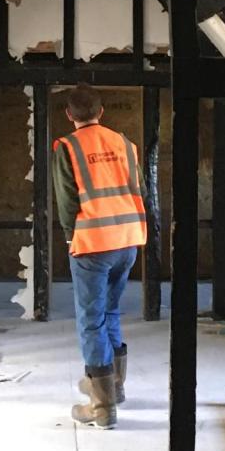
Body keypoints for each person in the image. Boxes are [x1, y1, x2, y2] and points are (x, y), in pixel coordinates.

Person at [52, 84, 147, 429]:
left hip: (92, 242)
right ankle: (114, 386)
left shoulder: (68, 147)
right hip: (127, 239)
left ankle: (102, 406)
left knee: (90, 319)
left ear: (69, 114)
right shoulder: (124, 144)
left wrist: (69, 237)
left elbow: (66, 201)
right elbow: (141, 189)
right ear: (101, 111)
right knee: (109, 311)